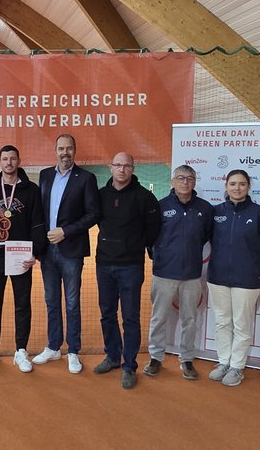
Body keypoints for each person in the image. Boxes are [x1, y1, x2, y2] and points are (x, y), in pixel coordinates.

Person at [0, 145, 46, 372]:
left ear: (19, 161)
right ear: (0, 162)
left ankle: (21, 350)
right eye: (5, 159)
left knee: (22, 304)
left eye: (13, 158)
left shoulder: (31, 190)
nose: (9, 163)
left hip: (20, 257)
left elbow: (37, 223)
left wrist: (35, 253)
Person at [93, 152, 161, 389]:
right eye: (118, 165)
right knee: (107, 313)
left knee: (130, 317)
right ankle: (112, 356)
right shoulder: (100, 195)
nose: (122, 169)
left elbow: (153, 230)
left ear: (133, 168)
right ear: (110, 167)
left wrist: (134, 246)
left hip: (131, 266)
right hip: (104, 264)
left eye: (127, 166)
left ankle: (129, 365)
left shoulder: (145, 197)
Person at [35, 133, 99, 374]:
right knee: (51, 300)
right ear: (55, 151)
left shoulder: (86, 178)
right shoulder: (45, 175)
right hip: (47, 251)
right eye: (61, 148)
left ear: (75, 150)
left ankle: (73, 350)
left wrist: (66, 232)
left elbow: (93, 214)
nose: (65, 153)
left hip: (71, 251)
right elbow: (39, 212)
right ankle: (53, 346)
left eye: (69, 148)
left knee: (72, 302)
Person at [206, 169, 260, 387]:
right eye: (233, 184)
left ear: (248, 187)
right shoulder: (216, 212)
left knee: (242, 325)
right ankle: (223, 362)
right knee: (222, 322)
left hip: (247, 280)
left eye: (242, 184)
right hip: (217, 277)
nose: (237, 188)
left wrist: (254, 268)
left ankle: (237, 366)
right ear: (226, 186)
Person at [144, 165, 213, 380]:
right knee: (159, 318)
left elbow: (205, 236)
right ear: (173, 181)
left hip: (192, 274)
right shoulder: (160, 206)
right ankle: (156, 357)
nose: (185, 182)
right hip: (164, 273)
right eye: (181, 178)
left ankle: (187, 359)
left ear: (194, 182)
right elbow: (150, 236)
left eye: (190, 178)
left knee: (189, 319)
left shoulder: (205, 208)